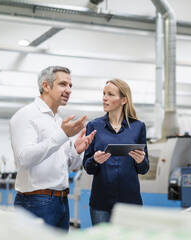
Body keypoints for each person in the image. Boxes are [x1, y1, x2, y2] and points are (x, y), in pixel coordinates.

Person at [9, 66, 96, 231]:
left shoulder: (57, 120)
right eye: (63, 84)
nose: (69, 90)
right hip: (36, 202)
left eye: (70, 86)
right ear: (46, 86)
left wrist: (76, 151)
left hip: (61, 200)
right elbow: (24, 158)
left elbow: (68, 165)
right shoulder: (26, 116)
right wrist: (62, 135)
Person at [83, 78, 149, 225]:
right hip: (101, 202)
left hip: (130, 202)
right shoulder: (94, 126)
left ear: (123, 100)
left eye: (110, 94)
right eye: (104, 93)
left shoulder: (138, 127)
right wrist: (94, 160)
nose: (104, 98)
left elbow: (144, 168)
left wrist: (140, 161)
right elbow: (87, 167)